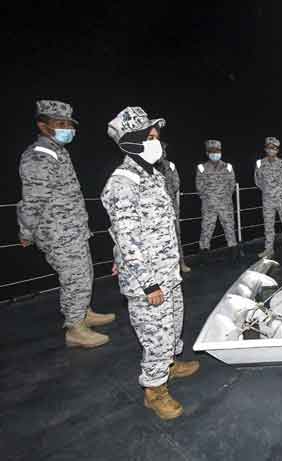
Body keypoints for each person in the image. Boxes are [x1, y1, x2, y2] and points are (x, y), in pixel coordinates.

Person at [102, 106, 199, 420]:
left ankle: (169, 365)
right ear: (131, 141)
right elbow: (128, 237)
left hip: (166, 269)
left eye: (157, 135)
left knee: (172, 323)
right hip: (149, 279)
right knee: (155, 334)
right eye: (150, 136)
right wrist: (148, 283)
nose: (157, 141)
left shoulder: (152, 174)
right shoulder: (123, 182)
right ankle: (154, 391)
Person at [17, 100, 114, 349]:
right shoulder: (39, 155)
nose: (67, 128)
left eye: (69, 124)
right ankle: (75, 329)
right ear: (43, 126)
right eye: (60, 124)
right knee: (75, 278)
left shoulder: (57, 151)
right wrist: (26, 231)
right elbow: (33, 200)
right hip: (57, 231)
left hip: (71, 228)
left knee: (83, 274)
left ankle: (83, 313)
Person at [196, 140, 239, 261]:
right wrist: (209, 197)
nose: (215, 153)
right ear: (207, 153)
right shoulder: (202, 168)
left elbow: (232, 184)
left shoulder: (228, 167)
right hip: (209, 204)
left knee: (229, 227)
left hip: (225, 204)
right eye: (212, 151)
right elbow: (199, 186)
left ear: (220, 152)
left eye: (217, 151)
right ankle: (204, 253)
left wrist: (224, 197)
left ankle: (234, 250)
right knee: (207, 228)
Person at [254, 137, 282, 259]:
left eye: (274, 148)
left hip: (281, 200)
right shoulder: (259, 163)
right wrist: (267, 190)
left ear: (277, 150)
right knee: (268, 226)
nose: (271, 150)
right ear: (265, 149)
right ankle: (268, 250)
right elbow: (257, 180)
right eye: (269, 147)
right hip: (267, 200)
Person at [155, 141, 191, 273]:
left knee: (176, 236)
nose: (163, 153)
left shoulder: (170, 165)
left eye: (163, 151)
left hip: (170, 207)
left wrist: (167, 192)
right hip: (153, 211)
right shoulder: (147, 166)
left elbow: (176, 184)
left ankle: (181, 263)